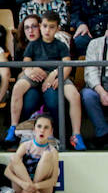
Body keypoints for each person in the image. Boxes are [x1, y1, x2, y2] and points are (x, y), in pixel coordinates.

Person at [7, 11, 85, 150]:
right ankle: (13, 127)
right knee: (18, 87)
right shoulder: (33, 44)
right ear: (40, 26)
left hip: (57, 74)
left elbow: (67, 65)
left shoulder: (60, 45)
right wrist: (30, 70)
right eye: (44, 26)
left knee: (74, 95)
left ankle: (76, 135)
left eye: (51, 27)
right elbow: (26, 62)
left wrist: (57, 76)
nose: (47, 30)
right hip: (35, 75)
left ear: (57, 28)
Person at [4, 115, 60, 193]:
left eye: (46, 127)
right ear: (34, 129)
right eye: (39, 126)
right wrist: (23, 184)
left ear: (51, 131)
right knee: (14, 157)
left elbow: (53, 180)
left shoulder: (53, 152)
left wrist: (34, 186)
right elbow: (7, 172)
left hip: (43, 192)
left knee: (47, 155)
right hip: (23, 191)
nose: (42, 130)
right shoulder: (25, 146)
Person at [82, 34, 108, 149]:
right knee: (88, 95)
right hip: (98, 86)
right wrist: (102, 92)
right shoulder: (95, 43)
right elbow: (90, 72)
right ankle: (103, 135)